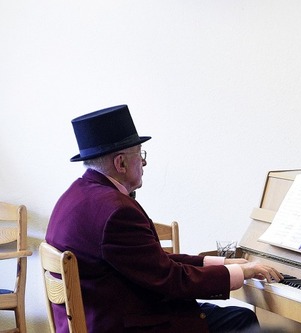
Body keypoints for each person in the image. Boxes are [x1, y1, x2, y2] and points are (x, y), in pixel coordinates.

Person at [46, 104, 283, 333]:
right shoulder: (116, 212)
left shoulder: (75, 195)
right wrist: (243, 273)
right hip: (124, 323)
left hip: (98, 318)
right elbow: (170, 279)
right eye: (140, 155)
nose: (145, 162)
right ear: (121, 162)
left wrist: (224, 263)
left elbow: (152, 262)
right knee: (241, 320)